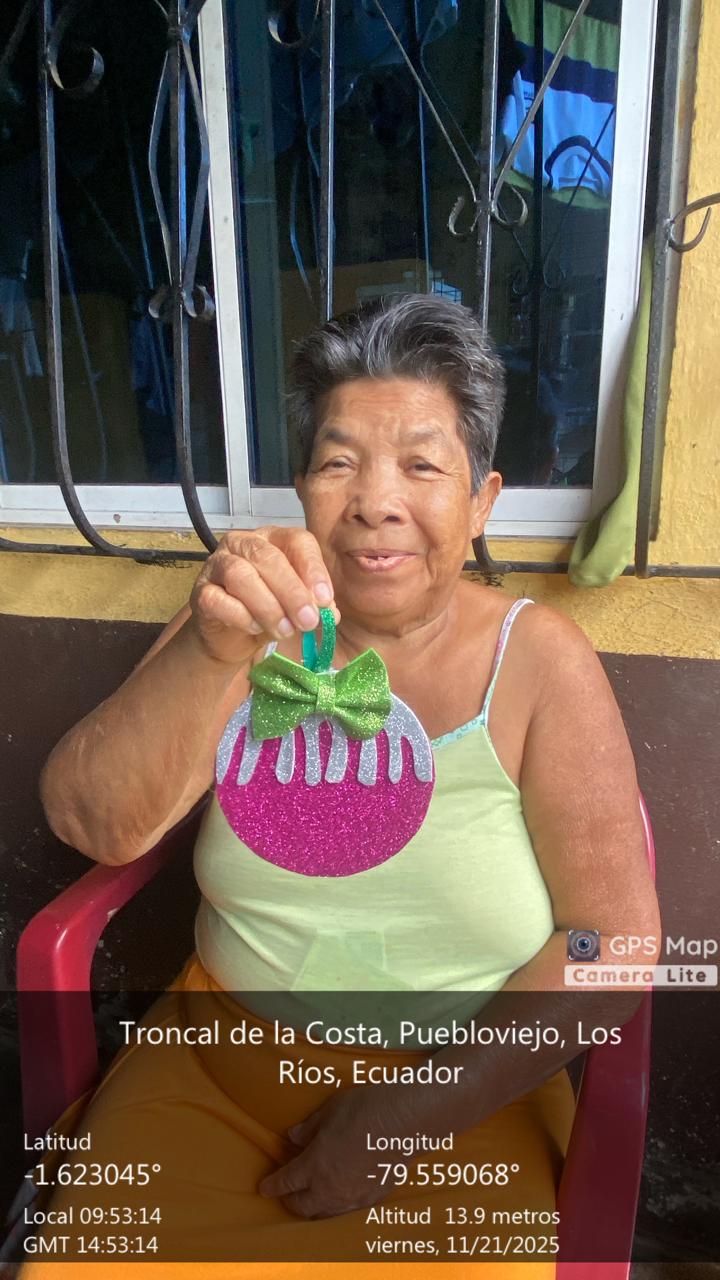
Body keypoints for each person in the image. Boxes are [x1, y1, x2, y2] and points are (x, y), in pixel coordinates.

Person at [23, 293, 660, 1278]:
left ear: (482, 499)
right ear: (302, 489)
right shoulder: (241, 619)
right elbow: (90, 821)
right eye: (337, 463)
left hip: (463, 1101)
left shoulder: (539, 663)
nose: (374, 501)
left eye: (422, 465)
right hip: (209, 1076)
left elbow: (614, 942)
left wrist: (414, 1110)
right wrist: (211, 650)